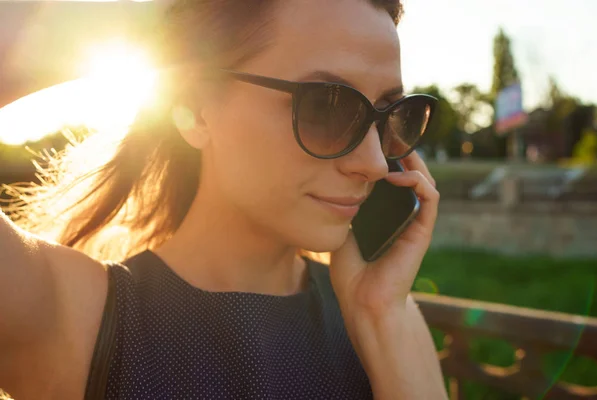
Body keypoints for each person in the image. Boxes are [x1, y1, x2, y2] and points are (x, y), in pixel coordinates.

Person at [0, 0, 447, 398]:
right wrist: (178, 15)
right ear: (195, 108)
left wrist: (380, 317)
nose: (373, 162)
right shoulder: (72, 314)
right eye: (325, 107)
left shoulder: (382, 314)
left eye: (390, 116)